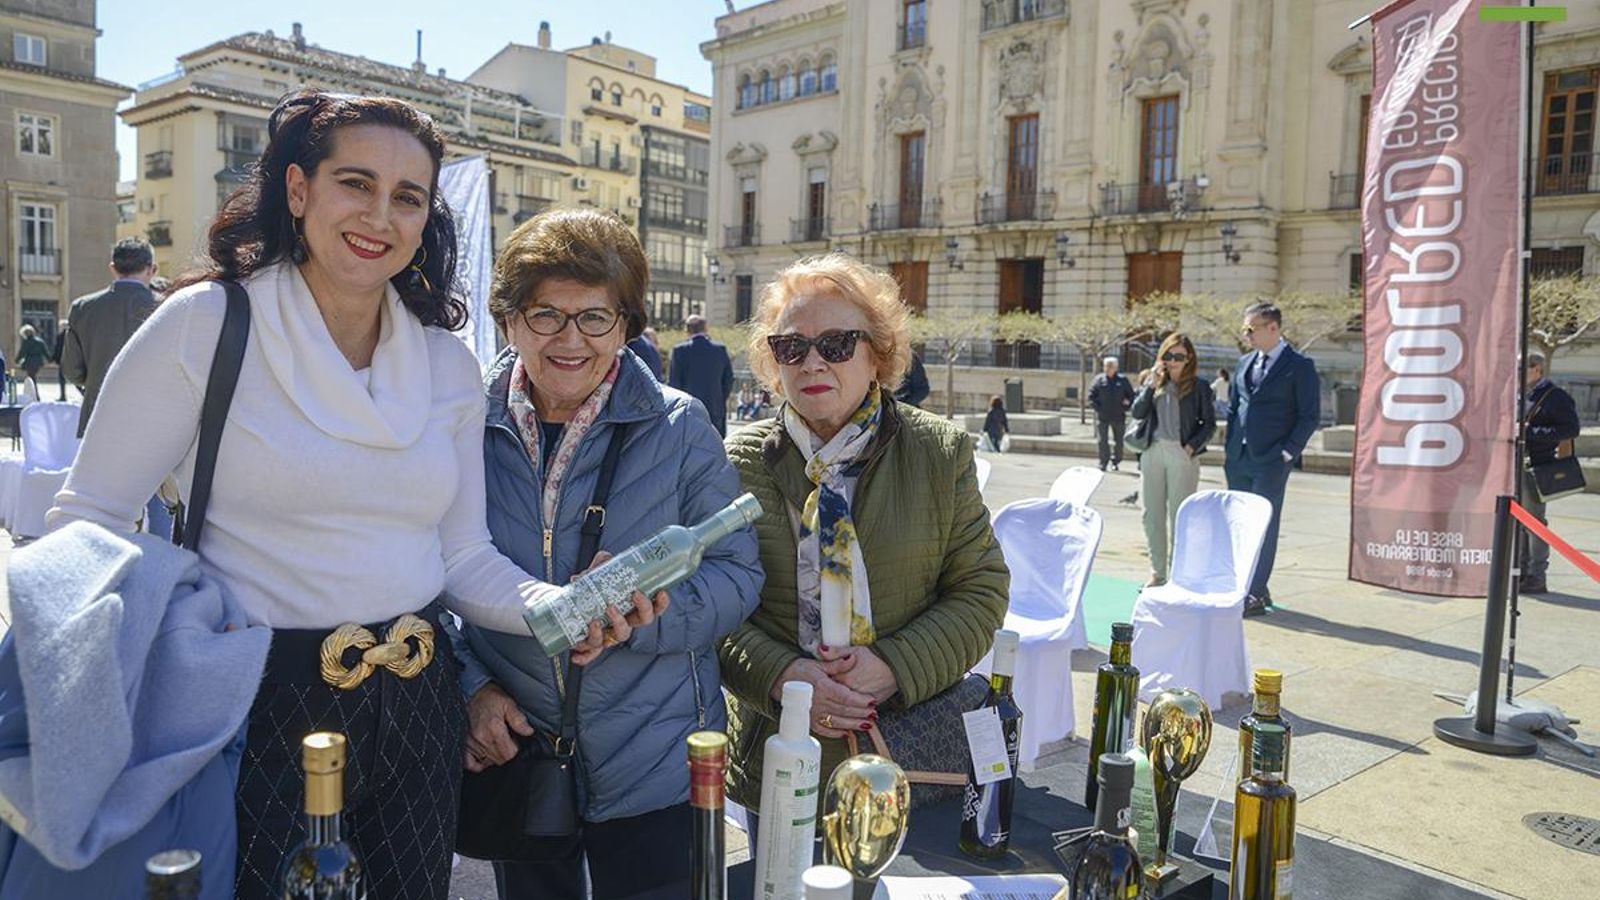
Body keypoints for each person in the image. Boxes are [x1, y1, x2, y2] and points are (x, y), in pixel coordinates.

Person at [48, 90, 565, 900]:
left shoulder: (444, 364)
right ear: (298, 191)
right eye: (355, 183)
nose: (381, 216)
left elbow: (463, 557)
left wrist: (571, 607)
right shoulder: (205, 324)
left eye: (408, 198)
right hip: (255, 707)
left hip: (422, 710)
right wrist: (90, 708)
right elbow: (87, 524)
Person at [452, 208, 762, 899]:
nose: (571, 340)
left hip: (657, 767)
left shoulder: (681, 428)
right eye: (545, 316)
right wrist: (471, 688)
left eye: (595, 317)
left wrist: (650, 613)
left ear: (625, 326)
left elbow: (739, 576)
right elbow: (427, 580)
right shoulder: (460, 422)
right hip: (520, 755)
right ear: (508, 320)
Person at [721, 253, 1009, 830]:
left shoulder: (938, 452)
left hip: (906, 754)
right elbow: (709, 609)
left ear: (878, 353)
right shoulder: (735, 463)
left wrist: (890, 666)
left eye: (835, 343)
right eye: (790, 347)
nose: (811, 362)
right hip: (780, 751)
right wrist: (782, 676)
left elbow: (980, 591)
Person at [1225, 302, 1320, 616]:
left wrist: (1287, 452)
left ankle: (1252, 593)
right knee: (1239, 525)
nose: (1246, 335)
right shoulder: (1243, 363)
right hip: (1239, 458)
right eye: (1245, 328)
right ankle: (1253, 585)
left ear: (1273, 328)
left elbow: (1309, 416)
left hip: (1272, 460)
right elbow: (1234, 407)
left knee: (1263, 525)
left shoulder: (1300, 366)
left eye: (1251, 329)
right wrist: (1229, 448)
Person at [1131, 334, 1215, 587]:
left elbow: (1208, 424)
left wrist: (1190, 448)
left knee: (1180, 514)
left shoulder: (1199, 386)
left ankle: (1178, 572)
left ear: (1189, 358)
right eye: (1168, 355)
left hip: (1182, 454)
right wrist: (1150, 385)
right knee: (1151, 514)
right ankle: (1158, 572)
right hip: (1153, 451)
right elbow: (1137, 412)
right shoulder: (1152, 381)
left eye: (1179, 356)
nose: (1173, 361)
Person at [61, 237, 159, 437]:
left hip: (98, 417)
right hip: (152, 420)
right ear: (151, 269)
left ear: (113, 268)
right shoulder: (167, 306)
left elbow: (72, 371)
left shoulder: (83, 308)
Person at [1519, 352, 1581, 595]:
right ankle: (1522, 571)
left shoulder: (1556, 397)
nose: (1519, 371)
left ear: (1538, 370)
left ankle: (1536, 575)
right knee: (1520, 524)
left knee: (1534, 523)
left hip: (1538, 466)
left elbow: (1571, 428)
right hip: (1517, 465)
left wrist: (1531, 432)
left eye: (1524, 366)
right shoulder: (1522, 394)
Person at [669, 314, 734, 435]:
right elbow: (728, 380)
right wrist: (719, 397)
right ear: (706, 329)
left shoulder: (679, 351)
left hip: (688, 410)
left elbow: (674, 384)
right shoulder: (720, 350)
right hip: (715, 408)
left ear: (687, 331)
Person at [1089, 355, 1134, 471]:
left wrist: (1127, 404)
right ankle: (1103, 462)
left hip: (1118, 416)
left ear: (1116, 368)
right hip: (1103, 416)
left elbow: (1131, 395)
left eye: (1110, 366)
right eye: (1106, 366)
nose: (1108, 369)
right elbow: (1091, 396)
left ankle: (1116, 461)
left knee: (1119, 441)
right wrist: (1097, 408)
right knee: (1102, 440)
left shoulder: (1122, 380)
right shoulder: (1099, 380)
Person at [1211, 366, 1231, 443]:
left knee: (1210, 410)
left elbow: (1212, 387)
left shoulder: (1219, 380)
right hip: (1225, 400)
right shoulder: (1227, 381)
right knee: (1227, 414)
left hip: (1219, 400)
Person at [50, 318, 68, 400]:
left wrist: (53, 359)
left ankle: (63, 396)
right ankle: (82, 392)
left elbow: (58, 349)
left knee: (62, 379)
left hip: (63, 360)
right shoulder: (72, 336)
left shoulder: (60, 337)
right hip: (71, 360)